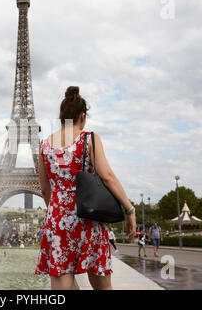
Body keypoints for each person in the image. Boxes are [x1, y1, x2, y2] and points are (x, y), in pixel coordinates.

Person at [35, 86, 136, 290]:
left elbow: (45, 189)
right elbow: (107, 176)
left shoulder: (44, 145)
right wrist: (129, 209)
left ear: (61, 117)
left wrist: (58, 212)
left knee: (61, 285)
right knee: (101, 283)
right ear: (82, 116)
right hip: (87, 216)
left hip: (58, 219)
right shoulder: (88, 139)